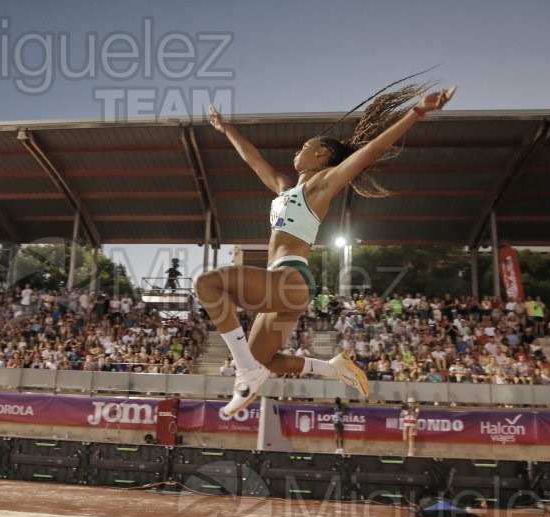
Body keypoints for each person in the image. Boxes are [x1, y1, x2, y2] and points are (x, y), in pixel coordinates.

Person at [195, 84, 456, 415]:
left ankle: (246, 370)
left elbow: (370, 152)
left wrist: (417, 112)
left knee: (208, 284)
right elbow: (254, 160)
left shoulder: (322, 185)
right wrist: (227, 128)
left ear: (321, 155)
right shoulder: (284, 188)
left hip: (290, 280)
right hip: (283, 290)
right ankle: (333, 368)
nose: (298, 151)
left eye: (306, 146)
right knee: (265, 360)